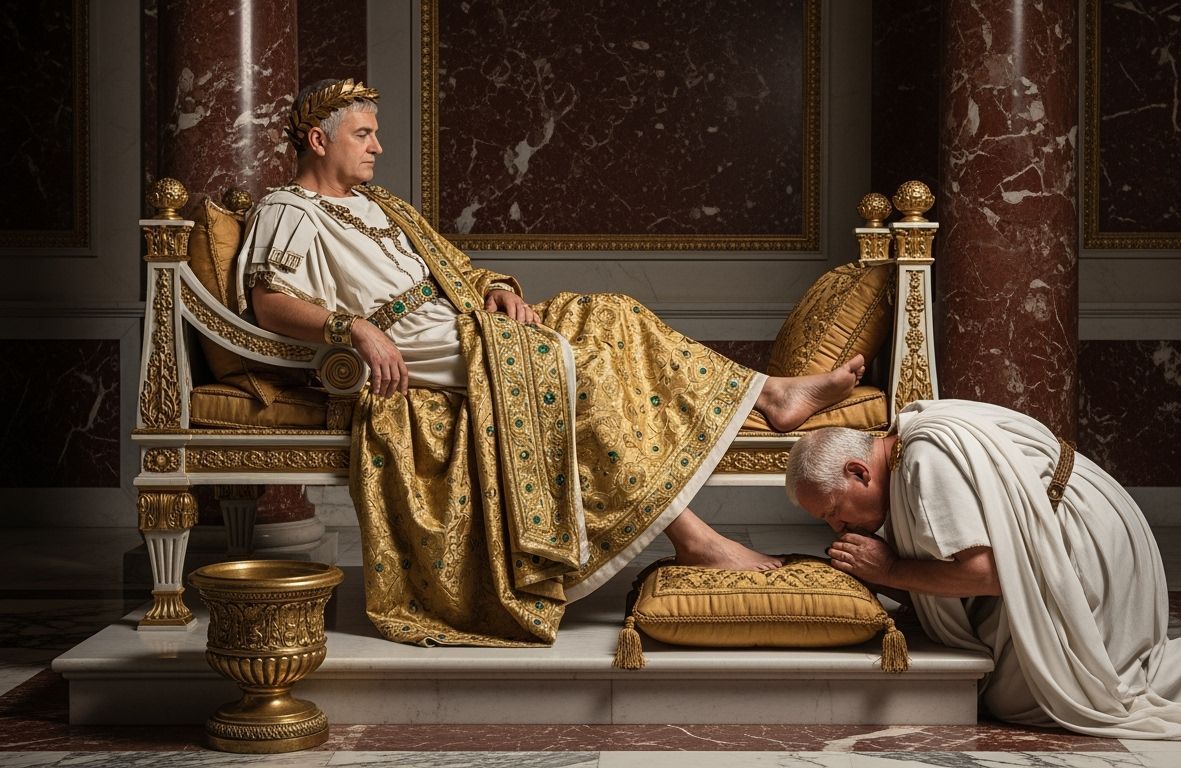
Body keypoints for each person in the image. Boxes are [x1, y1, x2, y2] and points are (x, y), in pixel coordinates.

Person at [235, 78, 863, 647]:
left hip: (462, 318)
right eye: (363, 134)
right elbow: (269, 302)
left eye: (375, 134)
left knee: (612, 314)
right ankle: (697, 538)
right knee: (577, 371)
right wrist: (355, 329)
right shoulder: (288, 210)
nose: (377, 147)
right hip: (411, 339)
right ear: (318, 140)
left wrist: (494, 288)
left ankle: (770, 394)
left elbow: (450, 268)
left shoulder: (380, 204)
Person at [784, 399, 1181, 740]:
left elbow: (986, 575)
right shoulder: (906, 437)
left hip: (1079, 542)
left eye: (834, 511)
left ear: (859, 471)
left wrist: (891, 569)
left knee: (1021, 699)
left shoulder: (923, 461)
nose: (836, 526)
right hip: (1090, 520)